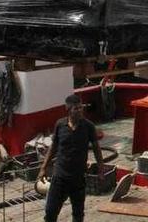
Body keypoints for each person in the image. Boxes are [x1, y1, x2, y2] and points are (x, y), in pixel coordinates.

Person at [39, 94, 104, 222]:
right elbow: (53, 147)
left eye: (81, 108)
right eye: (76, 109)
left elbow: (97, 148)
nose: (80, 111)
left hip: (78, 178)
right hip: (60, 177)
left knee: (78, 214)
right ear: (68, 110)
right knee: (50, 212)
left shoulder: (88, 126)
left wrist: (101, 170)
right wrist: (43, 168)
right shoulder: (60, 125)